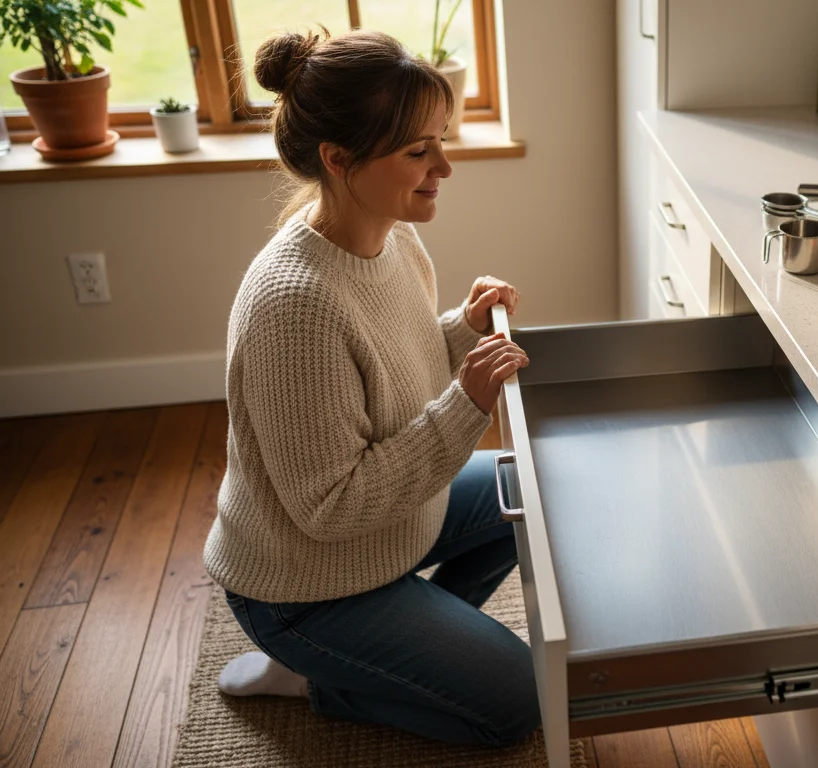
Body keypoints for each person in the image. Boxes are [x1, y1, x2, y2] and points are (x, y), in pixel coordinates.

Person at [202, 27, 540, 746]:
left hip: (381, 539)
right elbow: (331, 506)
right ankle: (323, 672)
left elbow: (394, 365)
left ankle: (400, 645)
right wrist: (467, 404)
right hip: (301, 587)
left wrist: (461, 328)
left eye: (440, 140)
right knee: (519, 704)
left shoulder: (393, 234)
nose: (444, 165)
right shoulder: (294, 305)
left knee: (534, 488)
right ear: (338, 159)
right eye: (419, 151)